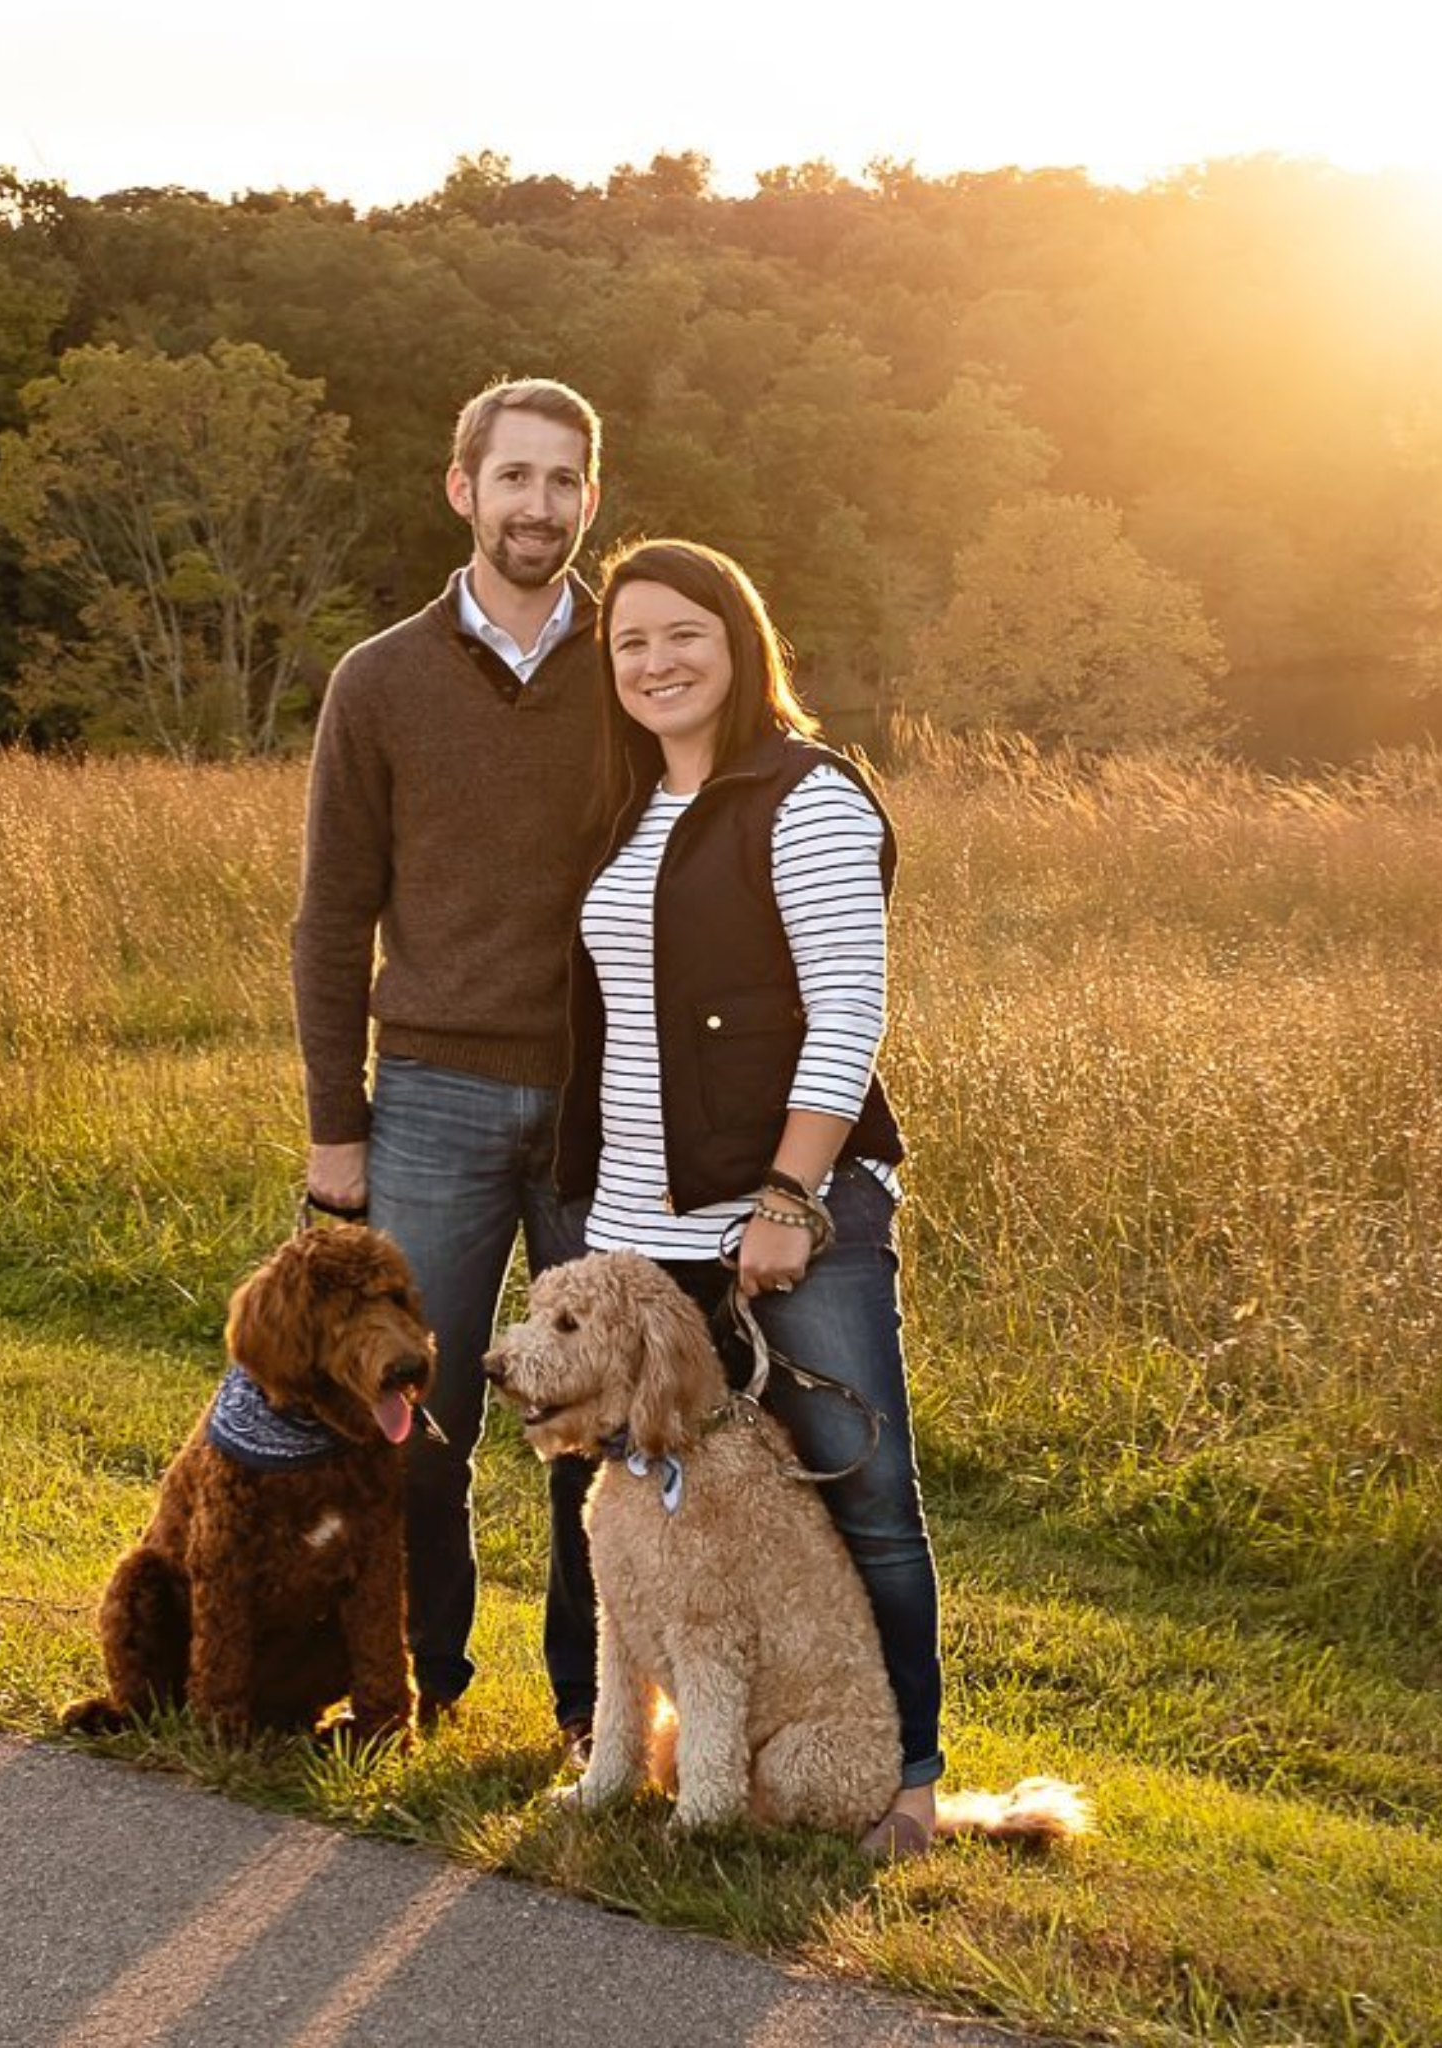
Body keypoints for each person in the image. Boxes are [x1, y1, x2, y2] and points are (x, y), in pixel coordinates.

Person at [555, 537, 946, 1856]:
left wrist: (789, 1194)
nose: (658, 663)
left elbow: (849, 1012)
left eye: (684, 635)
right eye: (631, 645)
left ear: (739, 642)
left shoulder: (810, 797)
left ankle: (908, 1783)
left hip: (790, 1223)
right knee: (652, 1509)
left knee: (856, 1490)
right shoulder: (622, 810)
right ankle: (668, 1758)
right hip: (635, 1237)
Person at [291, 375, 605, 1748]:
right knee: (408, 1420)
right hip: (429, 1096)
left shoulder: (642, 660)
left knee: (600, 1428)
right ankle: (412, 1684)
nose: (540, 505)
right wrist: (335, 1126)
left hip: (612, 1107)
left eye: (565, 479)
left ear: (591, 497)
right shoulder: (381, 679)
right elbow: (330, 916)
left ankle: (599, 1717)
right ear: (462, 488)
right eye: (514, 476)